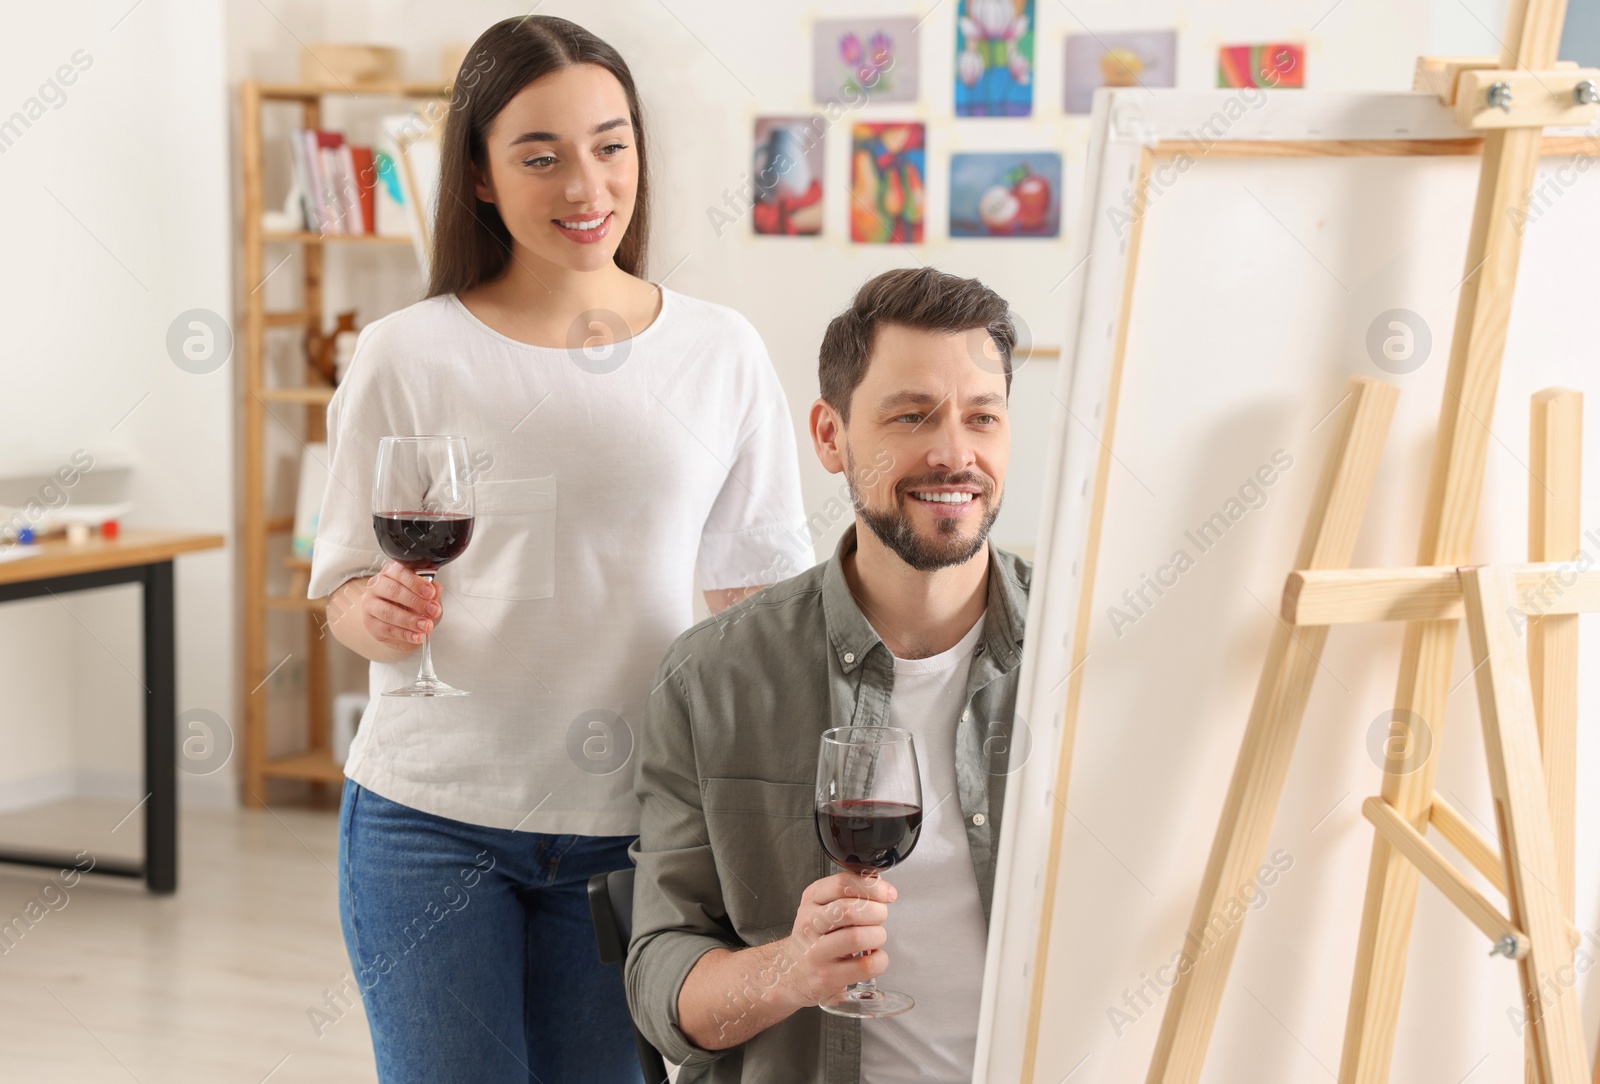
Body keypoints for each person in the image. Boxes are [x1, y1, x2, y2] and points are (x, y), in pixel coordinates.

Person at [307, 15, 811, 1084]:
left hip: (638, 828)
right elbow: (345, 584)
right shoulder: (407, 352)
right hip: (429, 822)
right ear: (482, 177)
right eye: (539, 155)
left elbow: (760, 606)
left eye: (610, 144)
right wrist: (374, 608)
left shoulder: (718, 352)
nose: (586, 182)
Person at [627, 266, 1031, 1083]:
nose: (954, 452)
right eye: (912, 415)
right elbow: (661, 984)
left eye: (981, 417)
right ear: (830, 436)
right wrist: (790, 971)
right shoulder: (715, 678)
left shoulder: (1088, 656)